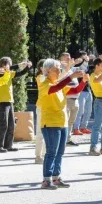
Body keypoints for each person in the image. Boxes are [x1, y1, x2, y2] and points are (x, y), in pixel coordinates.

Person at [37, 58, 84, 189]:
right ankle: (46, 180)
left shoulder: (57, 84)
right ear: (47, 71)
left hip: (62, 122)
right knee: (51, 151)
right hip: (50, 123)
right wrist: (71, 76)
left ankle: (56, 177)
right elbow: (56, 87)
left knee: (60, 151)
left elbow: (74, 92)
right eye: (56, 69)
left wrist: (83, 82)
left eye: (59, 68)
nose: (59, 71)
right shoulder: (44, 84)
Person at [0, 57, 32, 153]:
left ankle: (8, 146)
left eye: (9, 65)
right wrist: (17, 65)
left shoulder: (9, 73)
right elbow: (4, 70)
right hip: (2, 102)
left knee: (11, 125)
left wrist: (27, 67)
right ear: (1, 65)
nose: (8, 67)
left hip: (10, 102)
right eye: (6, 64)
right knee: (3, 125)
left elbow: (21, 73)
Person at [66, 54, 89, 146]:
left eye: (70, 58)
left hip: (75, 99)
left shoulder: (72, 70)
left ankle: (67, 138)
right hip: (67, 100)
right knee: (65, 121)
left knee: (71, 121)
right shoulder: (61, 71)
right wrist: (73, 63)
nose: (70, 59)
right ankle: (63, 139)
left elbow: (82, 69)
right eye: (67, 58)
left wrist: (85, 61)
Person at [74, 51, 94, 135]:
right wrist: (84, 61)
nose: (87, 57)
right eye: (84, 56)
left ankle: (83, 127)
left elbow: (93, 69)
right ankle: (76, 128)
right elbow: (80, 70)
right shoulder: (76, 67)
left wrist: (96, 59)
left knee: (88, 110)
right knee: (80, 111)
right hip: (81, 91)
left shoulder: (88, 67)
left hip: (88, 90)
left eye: (86, 56)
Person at [34, 59, 47, 164]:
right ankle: (38, 156)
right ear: (42, 68)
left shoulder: (49, 77)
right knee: (40, 132)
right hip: (42, 107)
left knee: (47, 132)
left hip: (49, 107)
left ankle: (45, 154)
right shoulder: (40, 77)